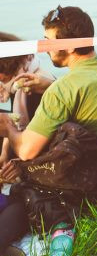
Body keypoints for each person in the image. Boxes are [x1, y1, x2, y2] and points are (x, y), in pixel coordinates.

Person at [0, 5, 97, 171]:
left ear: (70, 46)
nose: (44, 48)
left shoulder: (62, 90)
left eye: (48, 42)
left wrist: (8, 127)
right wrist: (50, 85)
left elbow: (26, 150)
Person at [0, 32, 55, 166]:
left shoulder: (29, 87)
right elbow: (15, 118)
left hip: (35, 144)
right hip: (23, 133)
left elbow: (32, 140)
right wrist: (4, 153)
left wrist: (8, 156)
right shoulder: (23, 72)